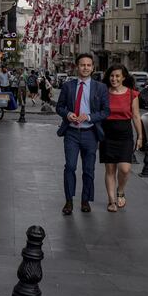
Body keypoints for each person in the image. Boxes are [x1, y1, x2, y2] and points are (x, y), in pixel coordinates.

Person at [56, 53, 110, 215]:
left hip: (90, 133)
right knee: (70, 166)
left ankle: (85, 200)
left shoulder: (100, 87)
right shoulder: (68, 86)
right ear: (76, 67)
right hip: (71, 132)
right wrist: (67, 114)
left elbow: (106, 111)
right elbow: (59, 107)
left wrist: (88, 117)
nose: (85, 68)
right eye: (82, 65)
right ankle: (69, 201)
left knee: (88, 169)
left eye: (88, 65)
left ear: (93, 67)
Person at [99, 65, 142, 213]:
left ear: (124, 77)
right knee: (110, 169)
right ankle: (111, 201)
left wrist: (140, 136)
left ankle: (121, 191)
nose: (114, 79)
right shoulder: (104, 93)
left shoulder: (132, 94)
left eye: (117, 76)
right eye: (112, 76)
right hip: (107, 134)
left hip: (125, 135)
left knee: (125, 169)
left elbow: (136, 116)